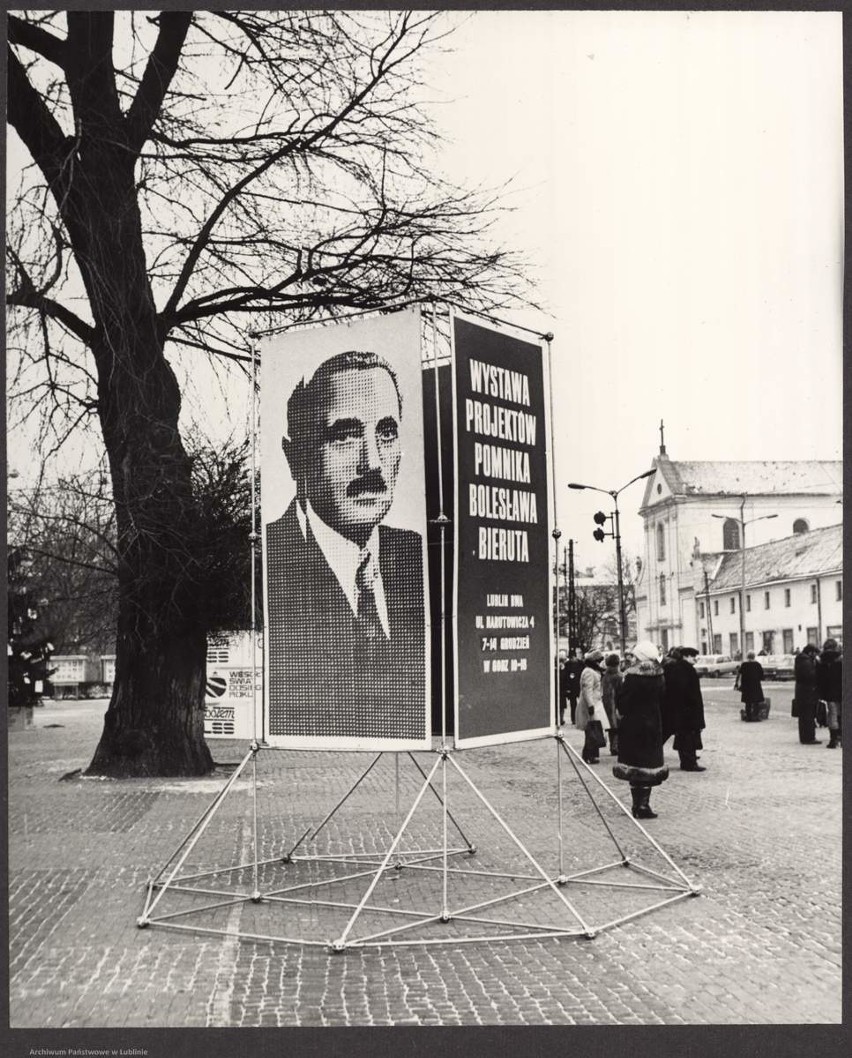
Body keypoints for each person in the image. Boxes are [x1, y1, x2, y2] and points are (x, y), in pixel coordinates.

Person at [265, 350, 426, 740]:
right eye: (345, 435)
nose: (372, 463)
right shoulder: (268, 559)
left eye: (386, 433)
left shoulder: (415, 556)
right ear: (296, 458)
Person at [613, 641, 669, 819]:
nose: (632, 658)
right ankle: (643, 804)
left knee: (634, 765)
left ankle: (638, 805)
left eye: (635, 655)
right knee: (648, 765)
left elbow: (623, 702)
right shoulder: (659, 675)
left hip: (633, 725)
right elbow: (663, 698)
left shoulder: (631, 676)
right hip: (652, 725)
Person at [662, 647, 707, 771]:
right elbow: (685, 692)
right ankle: (689, 763)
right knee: (689, 737)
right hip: (687, 711)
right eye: (693, 657)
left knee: (684, 736)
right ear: (686, 657)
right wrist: (693, 706)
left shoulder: (678, 668)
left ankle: (687, 762)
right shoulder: (685, 670)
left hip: (682, 710)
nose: (695, 659)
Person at [576, 649, 604, 763]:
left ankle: (590, 754)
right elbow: (587, 690)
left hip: (594, 703)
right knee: (591, 729)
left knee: (593, 729)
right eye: (598, 661)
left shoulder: (591, 670)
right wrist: (591, 706)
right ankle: (588, 755)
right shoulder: (588, 672)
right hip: (590, 704)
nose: (599, 663)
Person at [817, 638, 842, 749]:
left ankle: (833, 740)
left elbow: (820, 679)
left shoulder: (821, 661)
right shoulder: (841, 659)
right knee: (842, 714)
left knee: (832, 715)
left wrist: (821, 693)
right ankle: (843, 737)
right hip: (842, 690)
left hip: (829, 692)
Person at [793, 643, 821, 745]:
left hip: (802, 691)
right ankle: (809, 737)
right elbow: (811, 676)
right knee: (809, 715)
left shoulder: (800, 659)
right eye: (814, 653)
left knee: (803, 716)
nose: (815, 655)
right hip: (807, 692)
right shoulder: (806, 662)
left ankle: (804, 737)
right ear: (810, 652)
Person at [600, 653, 622, 756]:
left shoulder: (605, 675)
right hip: (616, 704)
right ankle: (615, 746)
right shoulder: (619, 676)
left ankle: (612, 746)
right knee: (617, 726)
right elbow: (621, 692)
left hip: (606, 703)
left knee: (610, 727)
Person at [735, 651, 765, 722]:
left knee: (747, 702)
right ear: (754, 656)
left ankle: (748, 717)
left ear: (747, 656)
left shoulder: (744, 664)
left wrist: (737, 684)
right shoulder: (757, 664)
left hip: (746, 685)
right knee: (756, 702)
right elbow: (762, 676)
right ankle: (756, 716)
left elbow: (739, 675)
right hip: (755, 685)